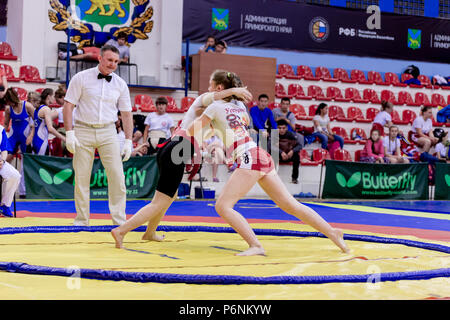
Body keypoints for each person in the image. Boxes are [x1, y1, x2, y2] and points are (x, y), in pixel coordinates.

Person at [186, 70, 349, 256]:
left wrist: (196, 114)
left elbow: (192, 130)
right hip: (260, 154)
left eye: (210, 87)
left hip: (249, 157)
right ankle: (332, 232)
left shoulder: (214, 107)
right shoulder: (240, 107)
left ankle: (256, 245)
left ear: (219, 89)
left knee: (222, 206)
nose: (208, 91)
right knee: (291, 205)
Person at [110, 78, 253, 248]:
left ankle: (150, 232)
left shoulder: (215, 109)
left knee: (170, 195)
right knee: (160, 201)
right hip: (178, 148)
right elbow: (223, 114)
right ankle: (121, 231)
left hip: (172, 146)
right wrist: (234, 94)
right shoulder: (210, 105)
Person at [62, 45, 134, 227]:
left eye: (116, 61)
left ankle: (120, 221)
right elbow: (68, 106)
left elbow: (126, 114)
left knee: (118, 177)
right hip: (82, 130)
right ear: (100, 58)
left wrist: (128, 140)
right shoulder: (81, 78)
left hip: (109, 131)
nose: (113, 64)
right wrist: (69, 133)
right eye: (110, 60)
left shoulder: (120, 84)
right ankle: (81, 221)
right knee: (81, 178)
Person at [2, 88, 34, 199]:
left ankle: (23, 191)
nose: (8, 103)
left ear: (13, 99)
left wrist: (30, 135)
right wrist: (2, 138)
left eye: (9, 101)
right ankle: (5, 188)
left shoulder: (28, 106)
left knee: (26, 162)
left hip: (25, 137)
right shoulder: (8, 109)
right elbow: (6, 124)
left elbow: (35, 123)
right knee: (4, 159)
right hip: (13, 136)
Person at [32, 88, 66, 155]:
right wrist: (64, 138)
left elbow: (41, 124)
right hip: (41, 141)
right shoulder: (46, 109)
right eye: (53, 96)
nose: (54, 99)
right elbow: (50, 129)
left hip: (36, 140)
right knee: (41, 164)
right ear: (48, 96)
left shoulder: (39, 108)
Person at [0, 124, 21, 217]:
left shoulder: (0, 129)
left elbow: (4, 149)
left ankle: (4, 205)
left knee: (15, 175)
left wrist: (2, 161)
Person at [273, 119, 301, 184]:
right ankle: (273, 178)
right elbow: (271, 146)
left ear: (287, 128)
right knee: (272, 154)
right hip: (279, 155)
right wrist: (281, 152)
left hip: (289, 155)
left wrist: (292, 151)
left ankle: (294, 178)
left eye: (283, 128)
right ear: (277, 128)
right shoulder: (274, 134)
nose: (281, 130)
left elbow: (299, 145)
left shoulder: (291, 134)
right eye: (279, 128)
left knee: (297, 156)